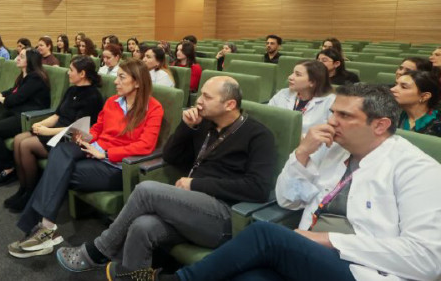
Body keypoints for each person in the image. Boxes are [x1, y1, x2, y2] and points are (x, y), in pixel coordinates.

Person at [168, 83, 441, 281]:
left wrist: (327, 240)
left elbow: (427, 258)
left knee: (264, 234)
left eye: (344, 116)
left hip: (365, 270)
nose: (331, 121)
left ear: (380, 125)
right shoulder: (332, 148)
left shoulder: (417, 170)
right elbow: (288, 199)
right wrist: (302, 153)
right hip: (310, 254)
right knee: (247, 277)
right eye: (333, 112)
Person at [55, 77, 276, 277]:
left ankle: (99, 250)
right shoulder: (204, 124)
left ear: (230, 104)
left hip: (224, 217)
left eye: (207, 97)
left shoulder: (258, 135)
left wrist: (196, 184)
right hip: (191, 207)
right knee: (142, 226)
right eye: (200, 94)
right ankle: (132, 276)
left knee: (146, 190)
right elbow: (171, 156)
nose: (199, 101)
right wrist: (186, 127)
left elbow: (257, 188)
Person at [9, 59, 163, 259]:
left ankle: (43, 228)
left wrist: (106, 153)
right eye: (117, 76)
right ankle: (44, 228)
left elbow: (145, 145)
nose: (115, 81)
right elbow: (98, 128)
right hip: (94, 151)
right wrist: (86, 138)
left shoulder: (153, 108)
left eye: (121, 77)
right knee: (60, 151)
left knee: (61, 170)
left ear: (137, 82)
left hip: (117, 166)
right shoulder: (112, 102)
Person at [4, 56, 104, 212]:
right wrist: (41, 124)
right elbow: (57, 115)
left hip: (68, 138)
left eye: (71, 70)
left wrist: (47, 131)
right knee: (18, 139)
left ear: (82, 73)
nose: (68, 73)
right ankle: (22, 189)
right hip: (56, 130)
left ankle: (31, 194)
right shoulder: (71, 90)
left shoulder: (93, 96)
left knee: (25, 145)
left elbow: (79, 129)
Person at [0, 49, 51, 187]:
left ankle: (9, 167)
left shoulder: (36, 78)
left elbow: (15, 99)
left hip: (28, 116)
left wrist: (1, 99)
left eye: (21, 56)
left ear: (30, 61)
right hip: (16, 112)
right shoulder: (24, 75)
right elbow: (13, 91)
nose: (17, 58)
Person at [269, 60, 335, 136]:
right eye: (293, 73)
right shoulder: (283, 93)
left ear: (312, 82)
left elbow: (331, 135)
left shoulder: (331, 102)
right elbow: (268, 118)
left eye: (298, 74)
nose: (290, 77)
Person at [391, 70, 441, 137]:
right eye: (395, 85)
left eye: (403, 87)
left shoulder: (437, 125)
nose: (392, 89)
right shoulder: (391, 114)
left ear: (424, 96)